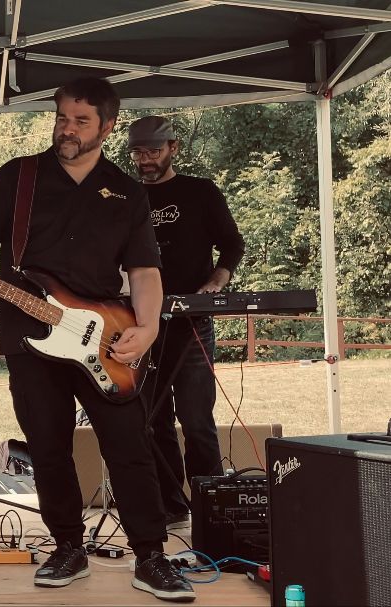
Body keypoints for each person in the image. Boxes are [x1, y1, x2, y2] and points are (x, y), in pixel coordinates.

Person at [0, 78, 195, 602]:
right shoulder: (19, 176)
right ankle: (68, 548)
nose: (67, 130)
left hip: (105, 337)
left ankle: (151, 556)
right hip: (30, 335)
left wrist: (147, 327)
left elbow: (144, 270)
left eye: (81, 121)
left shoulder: (127, 191)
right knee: (48, 449)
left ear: (108, 126)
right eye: (61, 118)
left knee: (130, 447)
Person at [128, 116, 244, 532]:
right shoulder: (126, 197)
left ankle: (210, 509)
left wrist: (216, 282)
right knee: (152, 418)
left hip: (192, 320)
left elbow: (232, 244)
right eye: (138, 153)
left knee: (196, 418)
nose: (145, 160)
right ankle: (171, 506)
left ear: (173, 148)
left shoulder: (200, 191)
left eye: (153, 152)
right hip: (140, 321)